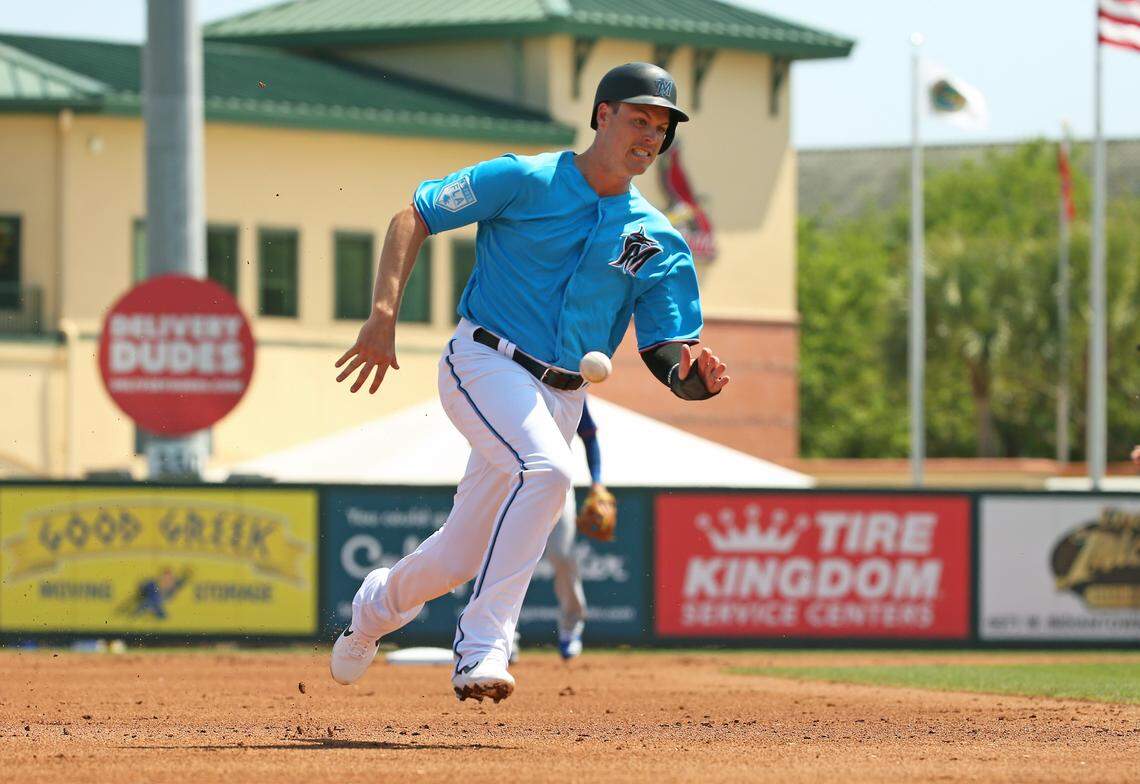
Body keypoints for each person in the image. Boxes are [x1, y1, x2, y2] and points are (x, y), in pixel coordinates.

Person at [329, 62, 730, 704]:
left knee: (461, 554)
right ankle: (485, 641)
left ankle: (374, 608)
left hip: (563, 393)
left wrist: (694, 380)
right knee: (547, 473)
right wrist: (382, 316)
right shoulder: (523, 178)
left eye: (661, 127)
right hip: (485, 359)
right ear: (602, 115)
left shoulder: (660, 240)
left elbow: (664, 350)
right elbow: (415, 216)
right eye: (638, 118)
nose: (650, 135)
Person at [534, 398, 610, 662]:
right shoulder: (507, 376)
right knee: (501, 559)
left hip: (558, 484)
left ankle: (571, 625)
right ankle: (504, 637)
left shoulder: (567, 380)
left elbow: (589, 434)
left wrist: (597, 482)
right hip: (512, 480)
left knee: (563, 556)